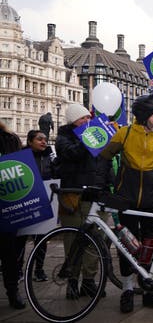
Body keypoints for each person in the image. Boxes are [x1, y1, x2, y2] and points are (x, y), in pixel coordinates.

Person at [96, 93, 153, 313]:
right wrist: (102, 185)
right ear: (144, 116)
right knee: (127, 246)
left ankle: (149, 288)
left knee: (149, 246)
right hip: (127, 199)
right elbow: (104, 157)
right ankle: (127, 289)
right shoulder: (124, 133)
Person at [55, 103, 106, 300]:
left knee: (94, 240)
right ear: (73, 121)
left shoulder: (93, 135)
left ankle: (89, 281)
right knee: (73, 240)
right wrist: (88, 139)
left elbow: (103, 162)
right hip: (72, 195)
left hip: (93, 195)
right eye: (83, 118)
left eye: (88, 118)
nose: (87, 121)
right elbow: (72, 154)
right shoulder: (63, 138)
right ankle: (72, 281)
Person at [16, 130, 56, 283]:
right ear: (30, 141)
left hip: (43, 200)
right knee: (21, 240)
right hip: (25, 202)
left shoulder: (49, 157)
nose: (44, 142)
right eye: (39, 139)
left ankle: (39, 269)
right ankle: (18, 269)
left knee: (41, 239)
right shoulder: (20, 157)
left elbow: (54, 175)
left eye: (45, 139)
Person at [0, 121, 26, 309]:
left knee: (9, 253)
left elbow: (20, 168)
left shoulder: (9, 139)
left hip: (7, 204)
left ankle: (12, 292)